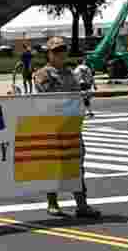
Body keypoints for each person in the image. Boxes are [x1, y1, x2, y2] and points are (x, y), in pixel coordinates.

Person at [34, 37, 101, 218]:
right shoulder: (42, 74)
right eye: (56, 51)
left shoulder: (70, 73)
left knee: (76, 164)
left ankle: (82, 204)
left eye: (63, 49)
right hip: (52, 126)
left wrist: (83, 95)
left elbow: (75, 95)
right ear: (48, 54)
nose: (60, 53)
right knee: (53, 165)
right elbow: (47, 97)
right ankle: (52, 203)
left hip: (71, 126)